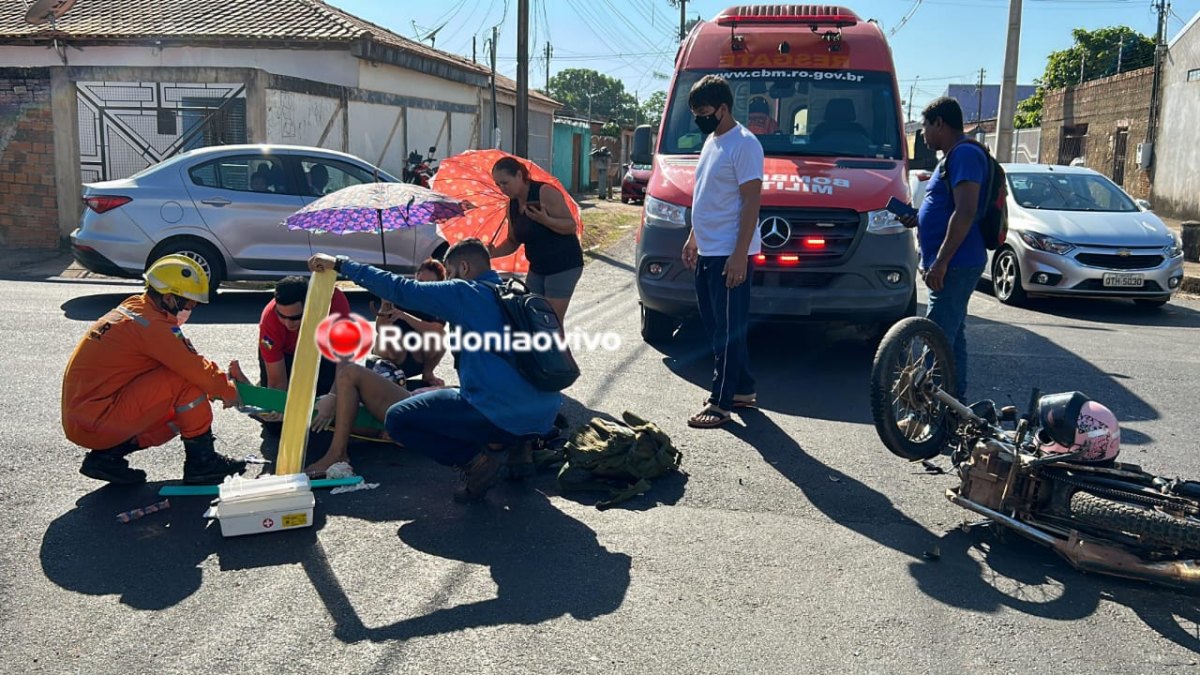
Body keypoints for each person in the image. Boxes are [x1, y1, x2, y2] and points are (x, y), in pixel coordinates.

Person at [306, 238, 561, 502]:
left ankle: (475, 464)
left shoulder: (466, 292)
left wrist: (342, 265)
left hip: (499, 410)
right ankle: (521, 448)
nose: (447, 281)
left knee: (399, 419)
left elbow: (402, 288)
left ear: (463, 267)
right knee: (497, 389)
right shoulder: (519, 293)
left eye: (448, 274)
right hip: (545, 413)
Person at [62, 255, 249, 485]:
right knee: (186, 383)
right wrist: (228, 391)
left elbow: (181, 358)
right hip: (98, 419)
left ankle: (106, 457)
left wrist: (216, 385)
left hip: (87, 419)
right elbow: (193, 368)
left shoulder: (136, 308)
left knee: (182, 410)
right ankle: (203, 463)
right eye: (188, 302)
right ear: (169, 298)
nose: (191, 308)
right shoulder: (151, 325)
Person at [682, 74, 764, 429]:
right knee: (719, 326)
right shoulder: (712, 142)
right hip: (708, 248)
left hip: (730, 251)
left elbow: (751, 201)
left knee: (728, 328)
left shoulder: (744, 145)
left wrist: (739, 254)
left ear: (723, 108)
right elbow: (707, 196)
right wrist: (693, 237)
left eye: (703, 111)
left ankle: (721, 401)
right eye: (696, 112)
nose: (699, 118)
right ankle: (743, 389)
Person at [896, 97, 988, 398]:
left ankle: (930, 411)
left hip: (957, 263)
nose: (922, 134)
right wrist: (918, 219)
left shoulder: (964, 155)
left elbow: (965, 211)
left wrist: (942, 262)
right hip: (952, 261)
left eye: (924, 127)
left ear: (939, 123)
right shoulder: (951, 157)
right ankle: (953, 409)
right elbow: (947, 206)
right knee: (951, 339)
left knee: (935, 339)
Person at [487, 157, 584, 325]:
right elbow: (513, 241)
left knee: (550, 321)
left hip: (564, 265)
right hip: (538, 268)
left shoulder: (545, 192)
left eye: (505, 182)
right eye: (498, 185)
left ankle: (558, 352)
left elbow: (570, 226)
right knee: (531, 318)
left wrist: (546, 220)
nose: (502, 188)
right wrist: (490, 253)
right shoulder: (511, 206)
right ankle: (539, 351)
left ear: (519, 175)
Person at [256, 275, 351, 425]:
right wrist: (279, 405)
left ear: (310, 306)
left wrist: (333, 396)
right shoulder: (270, 321)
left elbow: (345, 356)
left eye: (295, 318)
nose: (288, 324)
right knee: (277, 424)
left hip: (321, 351)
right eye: (282, 316)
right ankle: (259, 388)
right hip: (286, 354)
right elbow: (277, 381)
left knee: (324, 410)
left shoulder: (334, 303)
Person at [368, 258, 449, 388]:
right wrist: (385, 304)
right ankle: (389, 376)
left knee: (440, 336)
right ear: (416, 275)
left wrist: (404, 316)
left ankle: (427, 373)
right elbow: (381, 329)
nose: (423, 288)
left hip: (416, 356)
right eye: (421, 282)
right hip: (391, 355)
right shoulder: (401, 291)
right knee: (389, 336)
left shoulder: (439, 303)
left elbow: (436, 329)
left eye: (429, 285)